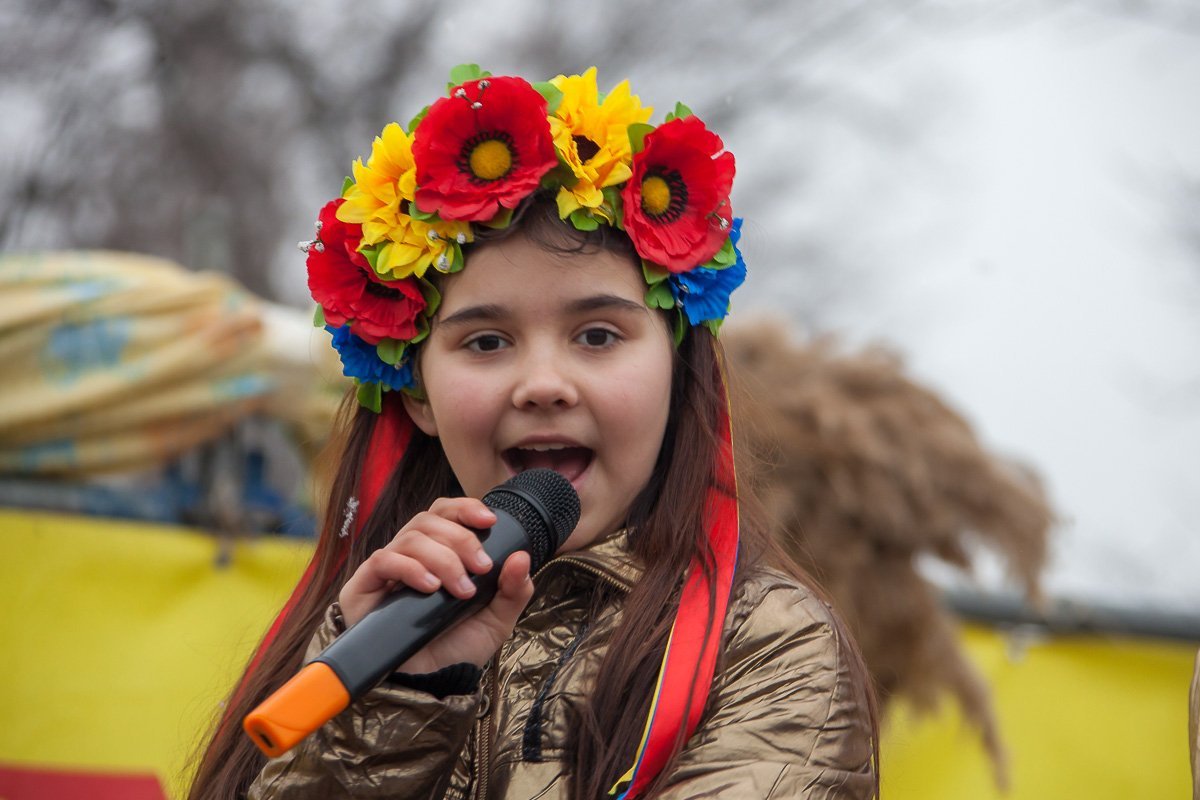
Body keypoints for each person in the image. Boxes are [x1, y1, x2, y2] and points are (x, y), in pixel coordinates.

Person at [188, 65, 878, 800]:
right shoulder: (359, 639)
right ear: (417, 393)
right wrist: (395, 713)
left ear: (677, 376)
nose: (543, 384)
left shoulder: (772, 648)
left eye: (598, 335)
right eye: (486, 342)